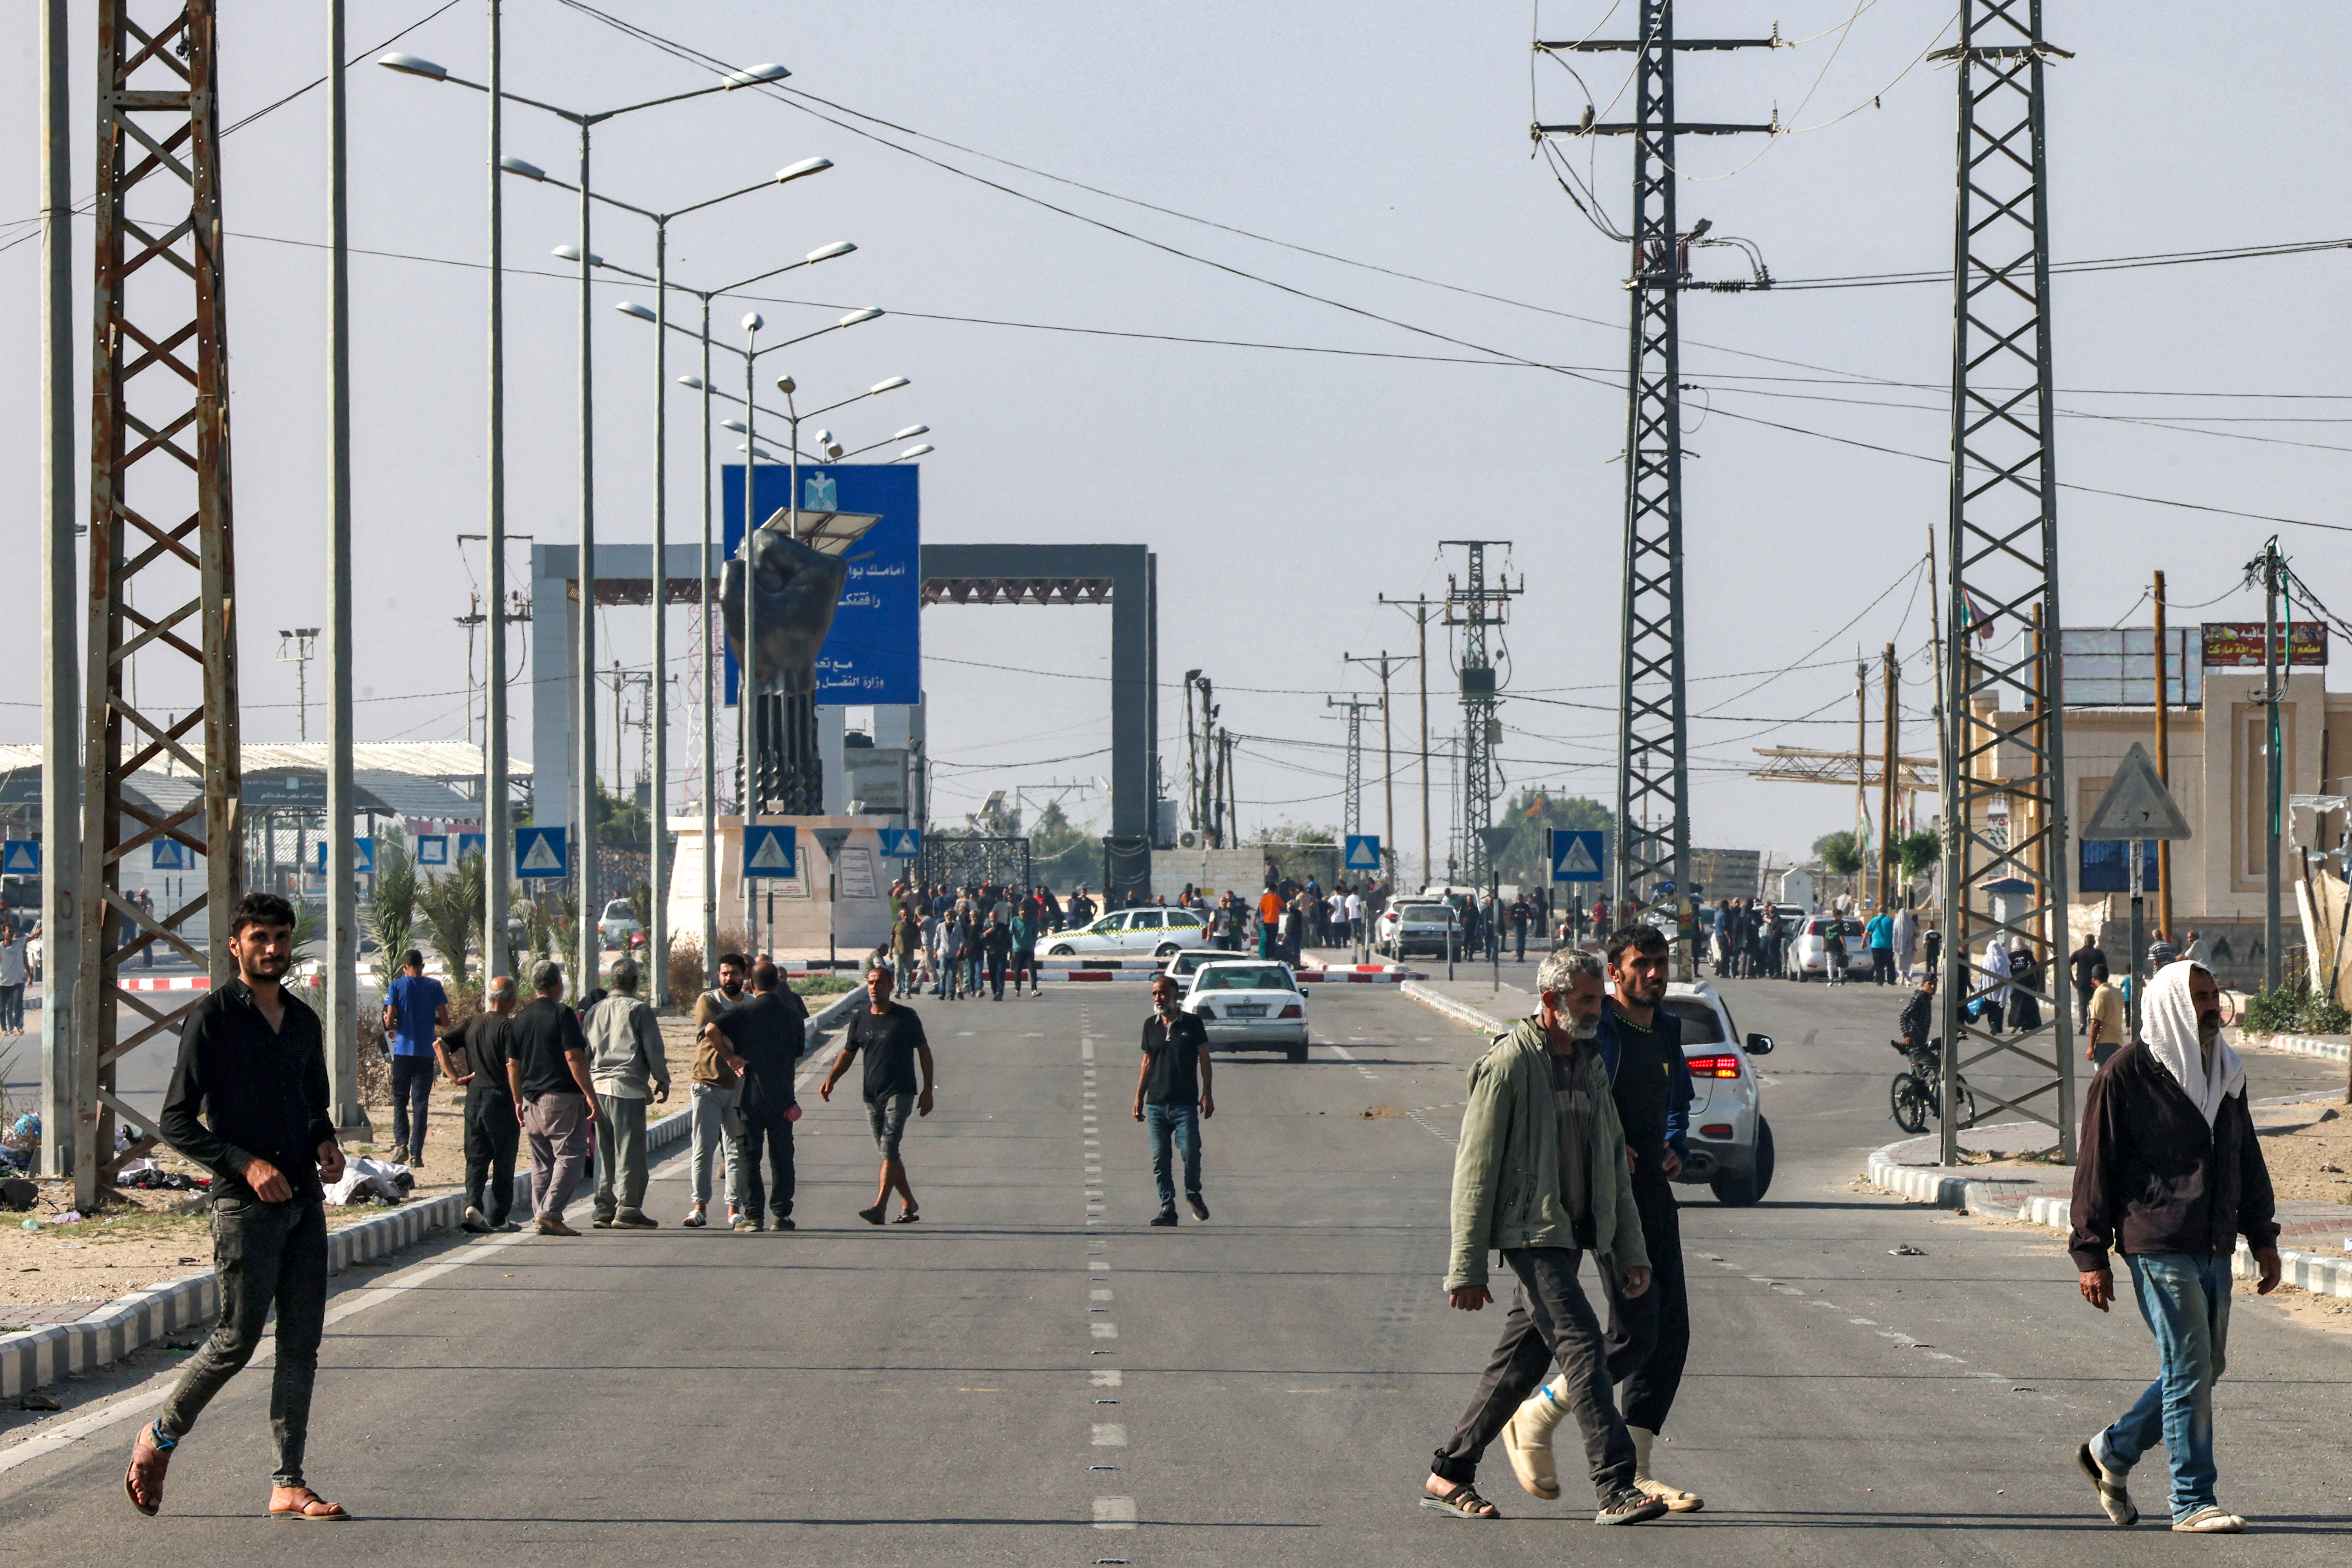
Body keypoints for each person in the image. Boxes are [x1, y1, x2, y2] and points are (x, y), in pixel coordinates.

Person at [1423, 947, 1662, 1526]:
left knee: (1517, 1367)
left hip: (1573, 1230)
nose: (1597, 1008)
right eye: (1585, 1000)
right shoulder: (1509, 1065)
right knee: (1581, 1345)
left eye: (1599, 997)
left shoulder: (1591, 1059)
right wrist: (1467, 1267)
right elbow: (1474, 1169)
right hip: (1530, 1233)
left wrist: (1630, 1249)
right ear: (1552, 1002)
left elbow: (1609, 1159)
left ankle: (1448, 1474)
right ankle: (1615, 1485)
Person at [134, 892, 348, 1521]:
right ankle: (160, 1437)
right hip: (244, 1209)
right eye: (260, 939)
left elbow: (313, 1106)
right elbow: (176, 1121)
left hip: (305, 1203)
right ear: (237, 944)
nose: (273, 950)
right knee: (236, 1340)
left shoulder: (304, 1022)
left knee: (301, 1346)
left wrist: (326, 1142)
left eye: (280, 938)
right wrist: (245, 1164)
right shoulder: (214, 1019)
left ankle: (289, 1482)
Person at [2070, 960, 2281, 1534]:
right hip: (2155, 1239)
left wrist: (2263, 1235)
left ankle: (2110, 1453)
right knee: (2189, 1363)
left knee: (2206, 1365)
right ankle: (2193, 1500)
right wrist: (2091, 1254)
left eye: (2214, 996)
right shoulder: (2125, 1074)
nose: (2212, 1006)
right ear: (2168, 1005)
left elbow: (2246, 1156)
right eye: (2199, 998)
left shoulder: (2225, 1072)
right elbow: (2095, 1166)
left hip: (2213, 1241)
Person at [1512, 924, 1702, 1513]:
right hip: (1603, 1197)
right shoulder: (1602, 1034)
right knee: (1633, 1331)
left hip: (1652, 1193)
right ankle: (1537, 1415)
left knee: (1670, 1336)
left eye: (1661, 962)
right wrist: (1605, 1143)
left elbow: (1677, 1104)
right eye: (1641, 964)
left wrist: (1673, 1144)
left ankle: (1640, 1469)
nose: (1654, 973)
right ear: (1616, 973)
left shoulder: (1666, 1029)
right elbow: (1573, 1093)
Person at [819, 964, 935, 1225]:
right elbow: (848, 1054)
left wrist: (928, 1090)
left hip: (901, 1092)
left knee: (889, 1147)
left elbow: (924, 1052)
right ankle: (909, 1202)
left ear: (891, 985)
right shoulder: (860, 1019)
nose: (874, 987)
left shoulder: (906, 1017)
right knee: (888, 1153)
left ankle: (880, 1207)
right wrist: (831, 1080)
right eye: (870, 982)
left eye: (880, 982)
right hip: (871, 1096)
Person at [706, 960, 808, 1232]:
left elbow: (710, 1030)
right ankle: (782, 1214)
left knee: (749, 1156)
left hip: (749, 1094)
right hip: (783, 1097)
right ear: (778, 983)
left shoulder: (742, 1012)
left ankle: (753, 1217)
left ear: (753, 984)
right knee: (782, 1156)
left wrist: (731, 1058)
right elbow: (799, 1050)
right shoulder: (792, 1015)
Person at [505, 960, 597, 1236]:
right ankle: (549, 1214)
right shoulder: (562, 1014)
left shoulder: (520, 1019)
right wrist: (590, 1095)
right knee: (572, 1156)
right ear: (558, 984)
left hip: (532, 1101)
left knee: (543, 1163)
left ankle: (542, 1215)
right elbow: (573, 1056)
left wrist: (518, 1100)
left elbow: (513, 1064)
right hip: (561, 1099)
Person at [586, 957, 671, 1230]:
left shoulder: (594, 1011)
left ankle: (603, 1208)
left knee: (604, 1151)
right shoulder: (639, 1010)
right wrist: (662, 1079)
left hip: (598, 1088)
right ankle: (629, 1208)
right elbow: (653, 1050)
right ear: (635, 982)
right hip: (627, 1088)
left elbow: (585, 1053)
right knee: (629, 1153)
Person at [436, 974, 519, 1234]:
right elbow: (513, 1066)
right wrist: (519, 1098)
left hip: (474, 1097)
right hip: (500, 1097)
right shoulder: (508, 1028)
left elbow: (440, 1044)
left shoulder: (473, 1023)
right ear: (511, 1000)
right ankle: (498, 1216)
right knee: (504, 1159)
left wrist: (455, 1078)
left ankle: (474, 1205)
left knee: (477, 1157)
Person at [1132, 973, 1213, 1226]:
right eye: (1155, 994)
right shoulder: (1150, 1025)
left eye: (1163, 993)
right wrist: (1139, 1096)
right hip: (1157, 1103)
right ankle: (1168, 1207)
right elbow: (1147, 1062)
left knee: (1191, 1152)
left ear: (1175, 996)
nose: (1159, 998)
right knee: (1160, 1159)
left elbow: (1205, 1059)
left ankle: (1193, 1194)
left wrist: (1207, 1093)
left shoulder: (1192, 1024)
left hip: (1185, 1104)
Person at [684, 954, 748, 1229]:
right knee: (704, 1149)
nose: (728, 979)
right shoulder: (708, 1001)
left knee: (735, 1151)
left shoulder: (751, 1004)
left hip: (738, 1087)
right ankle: (699, 1207)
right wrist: (734, 1056)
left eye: (733, 973)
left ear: (743, 976)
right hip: (707, 1084)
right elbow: (713, 1032)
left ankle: (734, 1209)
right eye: (724, 973)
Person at [380, 949, 449, 1166]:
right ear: (423, 966)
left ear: (405, 967)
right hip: (426, 1053)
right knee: (421, 1103)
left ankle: (401, 1145)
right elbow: (446, 1021)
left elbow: (389, 1022)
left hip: (402, 1051)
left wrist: (396, 1020)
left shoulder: (397, 986)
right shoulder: (435, 986)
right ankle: (417, 1155)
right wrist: (431, 1019)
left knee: (400, 1100)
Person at [2083, 963, 2125, 1068]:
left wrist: (2091, 1047)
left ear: (2094, 977)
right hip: (2118, 1041)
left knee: (2103, 1078)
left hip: (2104, 1042)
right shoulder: (2118, 992)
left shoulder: (2100, 994)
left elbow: (2096, 1022)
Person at [2070, 933, 2109, 1030]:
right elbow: (2104, 968)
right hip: (2096, 983)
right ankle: (2096, 1023)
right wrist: (2105, 983)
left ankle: (2083, 1024)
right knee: (2096, 1003)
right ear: (2094, 942)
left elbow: (2068, 965)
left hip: (2082, 982)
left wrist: (2073, 980)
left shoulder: (2079, 953)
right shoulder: (2099, 953)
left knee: (2083, 1004)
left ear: (2085, 942)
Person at [1897, 973, 1938, 1049]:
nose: (1933, 987)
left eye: (1935, 985)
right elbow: (1904, 1016)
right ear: (1923, 985)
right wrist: (1907, 1036)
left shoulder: (1927, 998)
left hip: (1921, 1042)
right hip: (1914, 1042)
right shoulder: (1920, 998)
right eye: (1930, 984)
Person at [979, 910, 1013, 1000]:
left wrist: (1011, 954)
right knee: (993, 974)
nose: (994, 919)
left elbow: (1009, 941)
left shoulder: (1003, 927)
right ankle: (995, 992)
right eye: (992, 917)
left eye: (995, 917)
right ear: (990, 918)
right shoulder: (986, 927)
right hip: (991, 954)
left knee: (1001, 973)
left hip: (1002, 954)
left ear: (998, 918)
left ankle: (1000, 992)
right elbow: (981, 939)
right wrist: (988, 932)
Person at [0, 925, 25, 1035]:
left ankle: (16, 1027)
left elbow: (34, 936)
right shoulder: (0, 948)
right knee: (2, 1007)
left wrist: (47, 925)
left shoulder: (19, 943)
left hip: (17, 981)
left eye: (12, 931)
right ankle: (4, 1029)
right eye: (8, 932)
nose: (10, 933)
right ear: (4, 933)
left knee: (18, 1004)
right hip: (3, 982)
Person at [1011, 903, 1040, 996]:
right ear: (1019, 912)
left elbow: (1035, 933)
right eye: (1021, 910)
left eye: (1025, 910)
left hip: (1029, 950)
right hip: (1018, 950)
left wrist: (1033, 943)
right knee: (1018, 970)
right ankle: (1017, 990)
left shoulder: (1032, 921)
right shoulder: (1015, 921)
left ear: (1028, 911)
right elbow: (1010, 933)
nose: (1023, 912)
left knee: (1032, 970)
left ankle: (1034, 990)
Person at [1865, 906, 1896, 985]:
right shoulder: (1890, 920)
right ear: (1887, 911)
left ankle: (1880, 980)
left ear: (1878, 911)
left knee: (1879, 964)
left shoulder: (1874, 920)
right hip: (1888, 945)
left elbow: (1867, 932)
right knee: (1890, 964)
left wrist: (1863, 942)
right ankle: (1891, 980)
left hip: (1876, 946)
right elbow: (1894, 933)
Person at [1891, 904, 1918, 983]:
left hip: (1898, 947)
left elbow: (1894, 936)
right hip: (1909, 948)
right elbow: (1917, 934)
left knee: (1900, 964)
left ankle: (1902, 976)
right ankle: (1908, 979)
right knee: (1909, 963)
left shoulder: (1896, 923)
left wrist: (1895, 946)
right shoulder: (1911, 923)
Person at [1257, 885, 1283, 959]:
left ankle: (1266, 956)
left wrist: (1266, 913)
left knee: (1268, 940)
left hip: (1267, 921)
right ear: (1275, 890)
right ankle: (1271, 956)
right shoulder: (1277, 897)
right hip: (1275, 922)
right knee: (1272, 940)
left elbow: (1261, 910)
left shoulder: (1264, 898)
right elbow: (1284, 906)